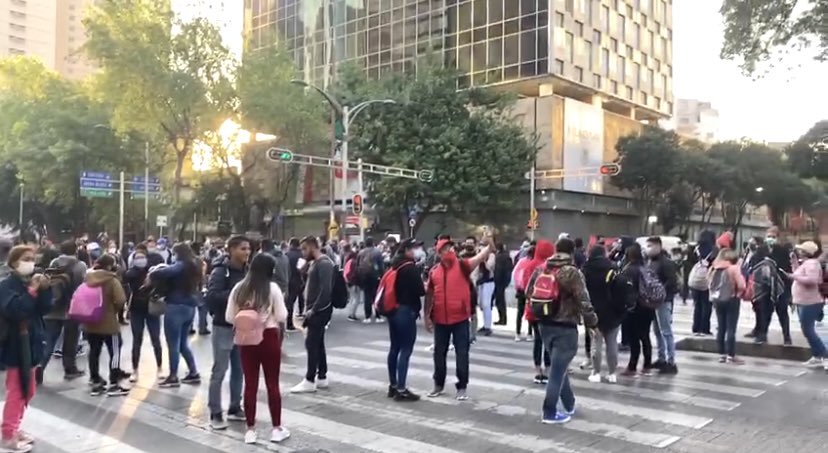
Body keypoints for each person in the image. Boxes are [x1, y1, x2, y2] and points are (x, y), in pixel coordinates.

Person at [526, 238, 597, 424]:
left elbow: (528, 293)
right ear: (572, 252)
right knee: (557, 372)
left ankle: (569, 404)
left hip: (544, 325)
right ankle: (549, 412)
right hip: (565, 327)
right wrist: (592, 323)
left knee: (559, 366)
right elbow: (584, 300)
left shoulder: (542, 268)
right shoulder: (572, 272)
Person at [225, 254, 289, 444]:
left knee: (250, 384)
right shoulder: (272, 288)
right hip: (268, 337)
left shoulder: (239, 288)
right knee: (272, 384)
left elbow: (230, 317)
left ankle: (250, 430)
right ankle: (276, 428)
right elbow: (282, 315)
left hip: (246, 339)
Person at [424, 236, 494, 401]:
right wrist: (426, 317)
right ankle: (438, 384)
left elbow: (480, 256)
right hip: (440, 319)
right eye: (444, 249)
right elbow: (429, 296)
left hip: (461, 319)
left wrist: (489, 244)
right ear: (439, 253)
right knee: (439, 354)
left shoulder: (463, 265)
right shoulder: (435, 272)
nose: (448, 252)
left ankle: (462, 387)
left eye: (450, 248)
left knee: (462, 354)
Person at [0, 246, 51, 452]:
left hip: (33, 342)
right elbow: (16, 310)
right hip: (15, 345)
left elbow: (45, 308)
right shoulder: (6, 285)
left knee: (28, 390)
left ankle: (14, 427)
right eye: (25, 259)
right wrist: (32, 291)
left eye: (32, 258)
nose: (30, 262)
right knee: (18, 390)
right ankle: (8, 433)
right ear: (14, 262)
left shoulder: (30, 282)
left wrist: (45, 289)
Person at [205, 236, 250, 430]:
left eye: (248, 249)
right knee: (220, 370)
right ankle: (215, 411)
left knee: (239, 370)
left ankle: (234, 407)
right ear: (231, 249)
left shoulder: (248, 271)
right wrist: (237, 295)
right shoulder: (220, 271)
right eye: (242, 249)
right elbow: (212, 296)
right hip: (223, 326)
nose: (247, 252)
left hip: (243, 327)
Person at [150, 243, 201, 387]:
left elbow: (164, 272)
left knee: (173, 343)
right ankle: (193, 372)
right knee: (183, 343)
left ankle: (173, 376)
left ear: (177, 253)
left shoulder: (181, 265)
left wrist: (153, 272)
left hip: (176, 306)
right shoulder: (194, 265)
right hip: (190, 306)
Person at [290, 236, 334, 393]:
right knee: (318, 342)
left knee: (311, 343)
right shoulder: (314, 263)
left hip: (319, 310)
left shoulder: (324, 264)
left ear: (312, 247)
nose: (302, 253)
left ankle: (310, 379)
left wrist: (313, 309)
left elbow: (325, 290)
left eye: (304, 249)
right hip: (314, 308)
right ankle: (322, 376)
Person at [81, 254, 130, 397]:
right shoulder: (112, 280)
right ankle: (114, 383)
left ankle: (95, 379)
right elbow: (120, 300)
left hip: (91, 323)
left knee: (94, 351)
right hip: (108, 323)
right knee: (114, 351)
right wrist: (113, 311)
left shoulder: (87, 279)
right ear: (109, 266)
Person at [582, 245, 631, 383]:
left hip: (594, 312)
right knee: (612, 343)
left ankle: (596, 372)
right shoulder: (613, 267)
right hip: (613, 311)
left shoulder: (585, 269)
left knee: (596, 342)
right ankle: (612, 373)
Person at [386, 239, 427, 402]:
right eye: (416, 248)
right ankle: (402, 389)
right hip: (406, 310)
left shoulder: (394, 264)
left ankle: (393, 385)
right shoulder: (409, 267)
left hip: (392, 309)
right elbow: (420, 291)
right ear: (408, 250)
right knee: (406, 349)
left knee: (394, 347)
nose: (418, 251)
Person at [40, 240, 87, 382]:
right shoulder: (80, 265)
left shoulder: (53, 263)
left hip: (52, 307)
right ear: (76, 250)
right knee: (71, 341)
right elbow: (83, 286)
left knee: (48, 341)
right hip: (72, 308)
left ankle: (38, 370)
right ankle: (70, 370)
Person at [123, 249, 163, 382]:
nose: (140, 260)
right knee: (137, 340)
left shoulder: (153, 272)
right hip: (136, 310)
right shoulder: (130, 273)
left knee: (156, 339)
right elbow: (127, 287)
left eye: (142, 257)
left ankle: (160, 367)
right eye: (137, 257)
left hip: (152, 309)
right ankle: (135, 370)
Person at [789, 241, 827, 368]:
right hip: (803, 301)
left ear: (806, 252)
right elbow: (798, 273)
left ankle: (824, 355)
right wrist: (794, 264)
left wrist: (793, 277)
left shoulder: (812, 264)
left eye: (800, 250)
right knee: (807, 330)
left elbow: (812, 280)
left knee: (808, 330)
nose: (798, 251)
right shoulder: (806, 263)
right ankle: (817, 356)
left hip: (810, 302)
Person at [645, 236, 679, 375]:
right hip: (654, 301)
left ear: (658, 246)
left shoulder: (666, 263)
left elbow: (671, 281)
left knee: (666, 331)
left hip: (663, 301)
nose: (648, 249)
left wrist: (660, 292)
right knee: (657, 331)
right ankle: (661, 358)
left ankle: (671, 361)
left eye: (650, 246)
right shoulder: (651, 262)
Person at [620, 243, 655, 377]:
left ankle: (632, 366)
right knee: (645, 336)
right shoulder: (646, 268)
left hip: (635, 308)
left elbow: (624, 289)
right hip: (648, 306)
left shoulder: (629, 270)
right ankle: (647, 365)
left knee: (633, 337)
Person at [708, 248, 746, 364]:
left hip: (717, 300)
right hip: (732, 299)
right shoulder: (733, 268)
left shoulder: (713, 268)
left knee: (721, 327)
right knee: (731, 328)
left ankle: (721, 354)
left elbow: (709, 284)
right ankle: (731, 355)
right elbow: (742, 285)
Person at [690, 230, 717, 336]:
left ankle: (696, 327)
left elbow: (691, 262)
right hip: (708, 279)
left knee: (697, 304)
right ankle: (705, 327)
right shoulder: (714, 250)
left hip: (696, 279)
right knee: (707, 305)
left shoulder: (695, 248)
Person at [356, 237, 384, 323]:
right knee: (376, 295)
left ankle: (367, 316)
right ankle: (378, 315)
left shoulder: (361, 253)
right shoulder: (377, 252)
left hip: (364, 276)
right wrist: (381, 275)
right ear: (373, 243)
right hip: (375, 276)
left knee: (366, 295)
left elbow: (357, 265)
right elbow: (381, 265)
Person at [285, 238, 304, 331]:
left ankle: (286, 321)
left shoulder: (286, 255)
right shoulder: (301, 255)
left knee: (287, 302)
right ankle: (289, 323)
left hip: (287, 279)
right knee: (292, 302)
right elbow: (301, 269)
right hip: (296, 280)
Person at [493, 243, 512, 325]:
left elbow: (507, 270)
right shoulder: (505, 256)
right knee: (500, 300)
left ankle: (502, 319)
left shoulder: (502, 256)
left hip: (499, 281)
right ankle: (502, 318)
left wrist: (506, 281)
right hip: (500, 281)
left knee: (500, 301)